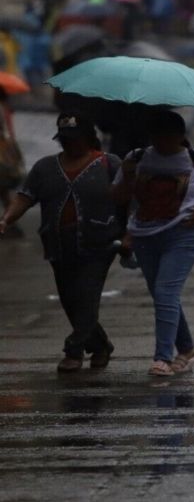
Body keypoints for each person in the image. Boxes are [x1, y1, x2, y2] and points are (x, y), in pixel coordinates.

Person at [113, 110, 194, 377]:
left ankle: (163, 358)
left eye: (168, 136)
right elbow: (119, 197)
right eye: (156, 136)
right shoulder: (136, 158)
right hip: (144, 235)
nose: (161, 142)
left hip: (182, 234)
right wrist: (128, 174)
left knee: (166, 291)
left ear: (181, 136)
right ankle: (188, 350)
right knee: (161, 294)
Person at [0, 113, 123, 372]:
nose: (70, 145)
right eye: (65, 139)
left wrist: (130, 235)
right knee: (71, 300)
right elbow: (25, 196)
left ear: (89, 139)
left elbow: (129, 199)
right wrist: (6, 219)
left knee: (87, 296)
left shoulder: (109, 164)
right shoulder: (45, 168)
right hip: (58, 244)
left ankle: (73, 350)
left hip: (99, 244)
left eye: (76, 139)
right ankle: (100, 345)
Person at [0, 88, 25, 237]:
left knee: (3, 191)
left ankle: (10, 223)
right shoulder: (4, 107)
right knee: (3, 192)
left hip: (1, 154)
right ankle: (11, 223)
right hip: (4, 153)